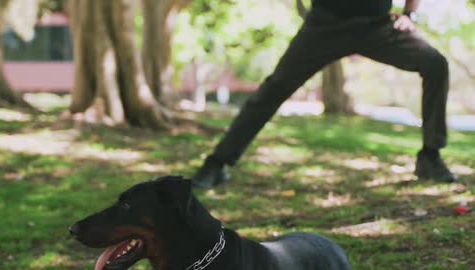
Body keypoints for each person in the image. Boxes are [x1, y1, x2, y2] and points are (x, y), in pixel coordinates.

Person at [192, 0, 458, 189]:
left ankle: (430, 157)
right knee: (273, 90)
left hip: (378, 26)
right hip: (324, 27)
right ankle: (216, 164)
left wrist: (409, 14)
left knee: (435, 64)